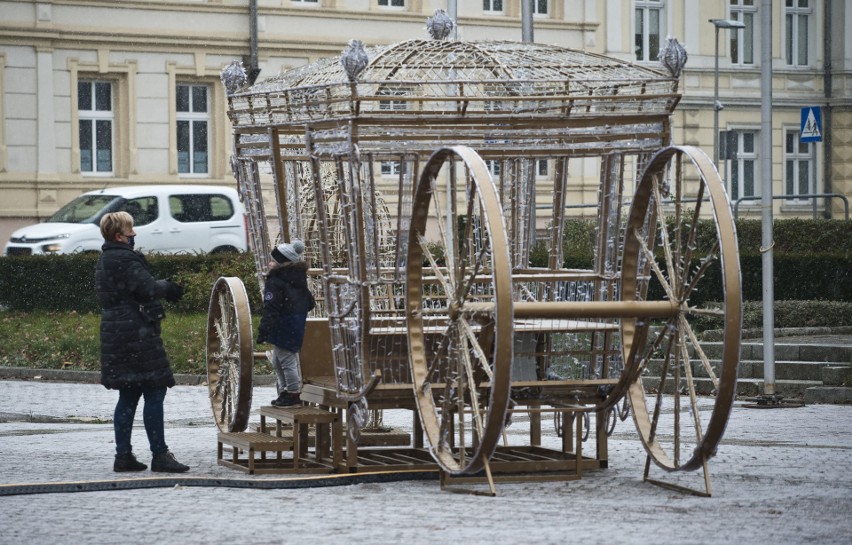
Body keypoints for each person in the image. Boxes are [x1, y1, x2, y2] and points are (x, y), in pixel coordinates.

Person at [95, 211, 189, 473]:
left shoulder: (106, 258)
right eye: (130, 231)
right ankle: (160, 455)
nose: (134, 234)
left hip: (117, 331)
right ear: (119, 236)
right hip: (136, 333)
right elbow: (146, 288)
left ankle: (123, 456)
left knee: (128, 394)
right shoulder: (124, 258)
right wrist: (168, 287)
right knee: (155, 390)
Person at [257, 239, 315, 407]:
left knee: (287, 361)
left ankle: (293, 393)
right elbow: (310, 303)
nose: (269, 263)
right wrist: (296, 311)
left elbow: (271, 308)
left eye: (273, 261)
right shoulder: (298, 280)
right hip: (294, 323)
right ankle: (284, 391)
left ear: (281, 263)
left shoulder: (275, 282)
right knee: (278, 359)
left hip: (282, 325)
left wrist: (264, 329)